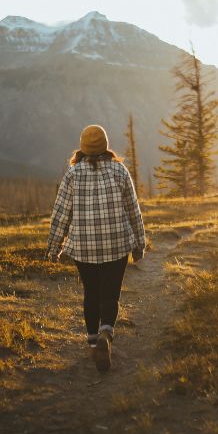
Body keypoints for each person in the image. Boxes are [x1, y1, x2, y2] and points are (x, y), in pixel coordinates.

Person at [46, 124, 147, 372]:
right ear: (105, 145)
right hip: (117, 243)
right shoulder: (119, 170)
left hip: (84, 247)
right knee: (110, 295)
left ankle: (93, 344)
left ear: (83, 147)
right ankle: (106, 334)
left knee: (91, 293)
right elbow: (133, 209)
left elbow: (61, 214)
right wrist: (139, 243)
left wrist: (54, 248)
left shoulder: (72, 174)